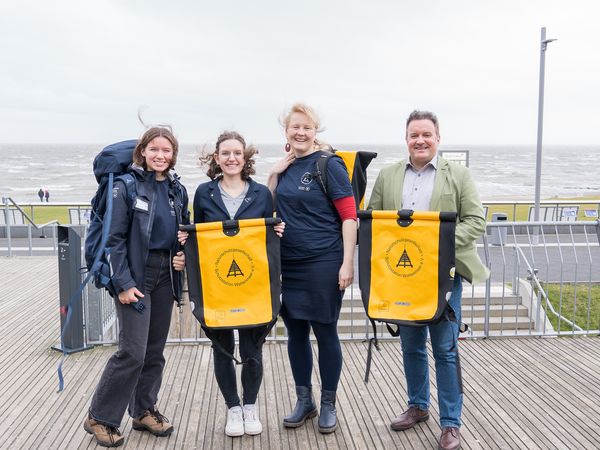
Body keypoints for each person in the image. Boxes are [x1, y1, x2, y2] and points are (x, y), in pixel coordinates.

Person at [368, 110, 489, 450]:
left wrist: (436, 247)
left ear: (438, 137)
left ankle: (451, 424)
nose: (420, 140)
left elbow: (475, 222)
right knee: (411, 348)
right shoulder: (389, 175)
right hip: (403, 278)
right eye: (413, 135)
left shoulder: (459, 175)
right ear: (406, 138)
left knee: (446, 351)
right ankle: (418, 406)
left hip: (444, 278)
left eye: (426, 134)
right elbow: (375, 221)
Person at [83, 127, 189, 447]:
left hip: (164, 275)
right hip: (134, 277)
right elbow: (113, 240)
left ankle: (143, 409)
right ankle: (100, 416)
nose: (160, 155)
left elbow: (180, 231)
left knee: (154, 351)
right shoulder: (126, 187)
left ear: (173, 155)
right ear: (142, 151)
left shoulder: (176, 189)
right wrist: (124, 284)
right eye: (154, 149)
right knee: (132, 351)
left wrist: (182, 255)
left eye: (166, 150)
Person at [181, 131, 284, 437]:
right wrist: (184, 243)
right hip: (218, 287)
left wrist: (277, 233)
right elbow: (199, 236)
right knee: (222, 348)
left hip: (253, 287)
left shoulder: (262, 195)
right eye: (225, 153)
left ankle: (250, 406)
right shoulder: (203, 193)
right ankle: (233, 408)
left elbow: (268, 239)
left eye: (237, 153)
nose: (231, 158)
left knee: (252, 349)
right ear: (217, 158)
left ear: (245, 157)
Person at [267, 103, 357, 434]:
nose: (300, 132)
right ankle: (304, 400)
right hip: (289, 263)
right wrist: (274, 173)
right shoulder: (286, 167)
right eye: (295, 127)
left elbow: (349, 216)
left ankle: (329, 403)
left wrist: (347, 262)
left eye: (306, 127)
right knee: (296, 333)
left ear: (315, 130)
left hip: (324, 260)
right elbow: (268, 206)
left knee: (325, 330)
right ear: (286, 131)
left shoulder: (328, 164)